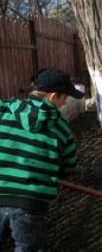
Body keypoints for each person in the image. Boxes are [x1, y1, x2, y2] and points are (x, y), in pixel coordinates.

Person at [0, 68, 83, 251]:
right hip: (30, 203)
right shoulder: (61, 130)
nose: (65, 103)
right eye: (65, 98)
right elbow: (69, 167)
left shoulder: (5, 112)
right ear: (52, 96)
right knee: (28, 248)